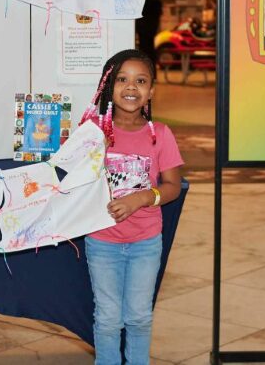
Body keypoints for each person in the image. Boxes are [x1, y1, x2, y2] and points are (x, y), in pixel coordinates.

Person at [78, 49, 184, 365]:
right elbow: (69, 176)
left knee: (139, 316)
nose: (131, 87)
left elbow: (173, 186)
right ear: (109, 86)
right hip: (102, 242)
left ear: (151, 90)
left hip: (145, 242)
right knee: (108, 318)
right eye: (122, 79)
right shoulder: (93, 132)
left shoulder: (161, 135)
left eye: (141, 80)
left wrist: (140, 198)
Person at [136, 0, 163, 78]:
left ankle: (145, 73)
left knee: (143, 50)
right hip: (152, 26)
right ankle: (153, 73)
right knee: (151, 49)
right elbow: (159, 12)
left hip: (143, 26)